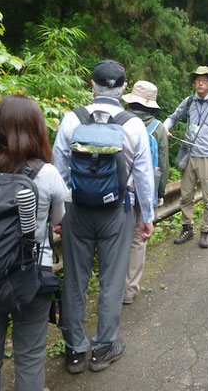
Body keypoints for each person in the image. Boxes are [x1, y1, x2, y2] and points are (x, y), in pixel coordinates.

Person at [0, 95, 68, 391]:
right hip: (32, 279)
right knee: (30, 359)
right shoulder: (47, 173)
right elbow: (58, 219)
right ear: (38, 130)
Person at [52, 60, 155, 374]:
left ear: (92, 85)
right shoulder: (133, 124)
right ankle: (102, 349)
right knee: (111, 281)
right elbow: (143, 175)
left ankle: (74, 351)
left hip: (76, 211)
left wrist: (57, 215)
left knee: (74, 280)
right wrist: (147, 215)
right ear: (124, 89)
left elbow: (58, 171)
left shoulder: (71, 119)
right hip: (117, 212)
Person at [164, 66, 208, 248]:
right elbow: (173, 117)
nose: (200, 82)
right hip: (189, 154)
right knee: (186, 194)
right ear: (194, 82)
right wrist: (165, 127)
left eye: (204, 80)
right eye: (197, 79)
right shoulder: (189, 102)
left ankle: (206, 231)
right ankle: (187, 228)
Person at [121, 80, 169, 305]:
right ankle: (129, 290)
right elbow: (164, 165)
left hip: (119, 188)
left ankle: (112, 285)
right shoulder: (157, 128)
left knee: (117, 237)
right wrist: (159, 195)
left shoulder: (119, 121)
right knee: (138, 240)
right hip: (144, 190)